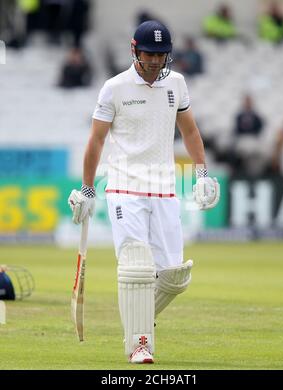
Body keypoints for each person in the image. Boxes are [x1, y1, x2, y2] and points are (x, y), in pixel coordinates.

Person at [68, 20, 220, 364]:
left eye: (160, 55)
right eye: (149, 54)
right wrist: (87, 189)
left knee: (174, 275)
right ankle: (140, 343)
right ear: (135, 51)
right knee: (136, 267)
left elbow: (191, 131)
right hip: (124, 187)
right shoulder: (114, 87)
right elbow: (96, 140)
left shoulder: (177, 84)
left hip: (164, 190)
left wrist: (202, 173)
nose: (154, 62)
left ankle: (136, 318)